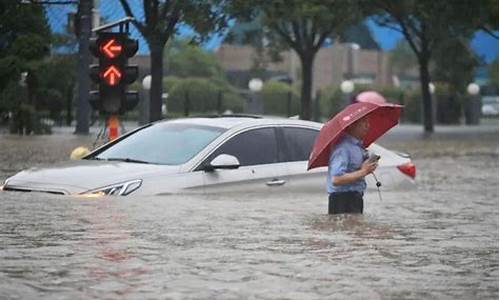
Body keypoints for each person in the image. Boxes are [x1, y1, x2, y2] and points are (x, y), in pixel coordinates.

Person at [327, 116, 378, 214]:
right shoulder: (343, 148)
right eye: (363, 122)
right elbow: (336, 179)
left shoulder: (358, 147)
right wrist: (363, 171)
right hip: (342, 200)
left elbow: (354, 171)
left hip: (355, 198)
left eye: (368, 122)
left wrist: (366, 168)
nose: (368, 125)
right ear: (352, 125)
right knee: (344, 228)